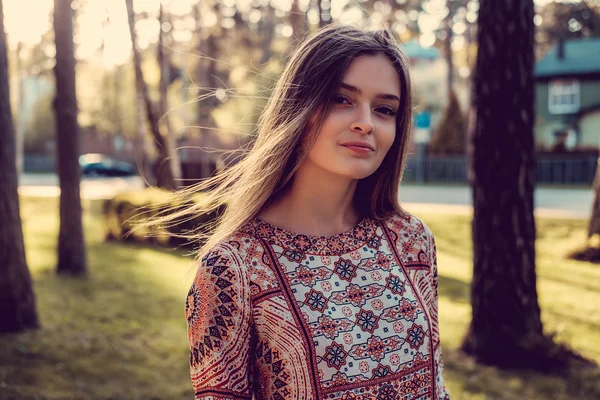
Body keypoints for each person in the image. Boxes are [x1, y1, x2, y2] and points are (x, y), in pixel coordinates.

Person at [184, 23, 450, 399]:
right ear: (299, 106)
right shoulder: (233, 269)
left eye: (385, 109)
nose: (366, 122)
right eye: (342, 99)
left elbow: (436, 386)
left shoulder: (411, 240)